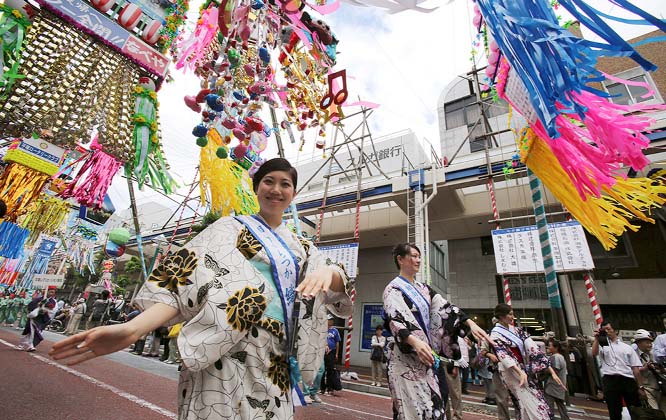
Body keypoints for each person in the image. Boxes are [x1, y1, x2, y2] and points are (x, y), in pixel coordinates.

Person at [50, 157, 353, 420]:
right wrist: (133, 329)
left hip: (275, 358)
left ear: (293, 193)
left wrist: (329, 270)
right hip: (224, 350)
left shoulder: (304, 248)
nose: (276, 190)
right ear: (256, 187)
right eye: (268, 182)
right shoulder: (226, 230)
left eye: (285, 184)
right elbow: (182, 284)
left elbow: (339, 288)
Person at [382, 243, 491, 420]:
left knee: (436, 406)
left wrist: (469, 322)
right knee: (410, 410)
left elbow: (446, 309)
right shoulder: (393, 289)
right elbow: (396, 320)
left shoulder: (425, 289)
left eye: (419, 256)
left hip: (428, 359)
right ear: (400, 259)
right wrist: (415, 342)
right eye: (414, 256)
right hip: (406, 358)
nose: (418, 260)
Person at [490, 303, 563, 420]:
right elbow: (504, 356)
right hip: (511, 371)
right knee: (527, 402)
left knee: (535, 402)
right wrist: (519, 372)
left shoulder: (517, 330)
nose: (512, 317)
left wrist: (551, 371)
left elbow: (533, 348)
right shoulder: (495, 334)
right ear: (502, 316)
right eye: (510, 314)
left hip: (524, 370)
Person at [592, 320, 645, 420]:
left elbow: (635, 369)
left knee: (635, 409)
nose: (606, 331)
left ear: (616, 331)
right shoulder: (602, 346)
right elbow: (594, 353)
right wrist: (596, 339)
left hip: (628, 380)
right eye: (604, 330)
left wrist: (640, 387)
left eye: (608, 329)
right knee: (614, 411)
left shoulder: (627, 347)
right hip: (610, 380)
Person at [634, 329, 666, 413]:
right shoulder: (633, 354)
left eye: (650, 342)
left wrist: (661, 369)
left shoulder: (654, 353)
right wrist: (644, 368)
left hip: (661, 389)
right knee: (655, 414)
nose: (650, 344)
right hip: (647, 389)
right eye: (647, 342)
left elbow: (662, 368)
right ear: (639, 343)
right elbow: (632, 371)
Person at [17, 287, 57, 351]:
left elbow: (52, 311)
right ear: (46, 291)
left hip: (42, 319)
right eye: (50, 292)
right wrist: (37, 306)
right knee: (28, 331)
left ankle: (31, 345)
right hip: (34, 318)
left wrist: (45, 310)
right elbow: (30, 306)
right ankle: (22, 344)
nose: (51, 293)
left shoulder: (53, 301)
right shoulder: (38, 299)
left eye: (53, 292)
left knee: (36, 332)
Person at [545, 339, 570, 420]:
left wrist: (544, 369)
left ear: (556, 348)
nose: (548, 347)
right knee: (561, 405)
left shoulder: (555, 357)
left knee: (549, 406)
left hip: (553, 386)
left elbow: (555, 369)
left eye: (550, 345)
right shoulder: (560, 356)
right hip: (559, 385)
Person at [321, 314, 342, 396]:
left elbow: (337, 342)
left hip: (331, 352)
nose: (330, 321)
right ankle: (322, 388)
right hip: (322, 352)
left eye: (331, 320)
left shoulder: (335, 331)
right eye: (329, 320)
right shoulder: (322, 330)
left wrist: (336, 353)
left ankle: (330, 388)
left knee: (330, 370)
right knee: (322, 370)